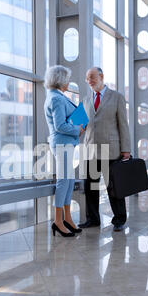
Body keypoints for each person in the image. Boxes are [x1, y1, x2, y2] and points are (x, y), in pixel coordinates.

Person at [79, 67, 131, 232]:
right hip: (90, 151)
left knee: (114, 187)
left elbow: (123, 125)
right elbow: (78, 125)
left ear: (101, 76)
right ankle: (93, 219)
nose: (89, 81)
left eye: (92, 77)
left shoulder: (117, 97)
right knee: (90, 187)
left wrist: (126, 149)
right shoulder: (86, 101)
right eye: (87, 79)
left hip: (111, 150)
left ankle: (119, 220)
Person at [44, 65, 85, 237]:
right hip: (62, 144)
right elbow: (60, 125)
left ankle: (67, 217)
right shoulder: (56, 99)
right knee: (63, 181)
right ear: (60, 80)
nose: (69, 82)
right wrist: (78, 129)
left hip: (66, 144)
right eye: (67, 79)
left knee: (68, 181)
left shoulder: (58, 97)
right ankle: (58, 220)